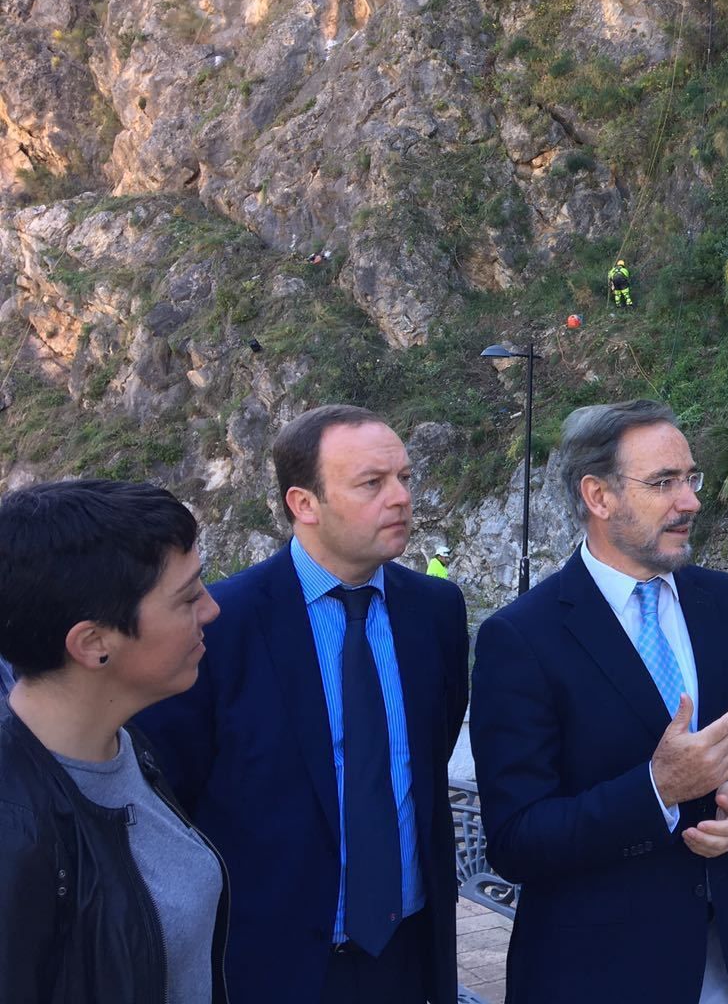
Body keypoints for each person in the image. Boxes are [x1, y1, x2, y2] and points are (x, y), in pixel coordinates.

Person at [138, 405, 470, 1004]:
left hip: (408, 956)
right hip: (270, 967)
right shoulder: (221, 624)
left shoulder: (437, 611)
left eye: (405, 477)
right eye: (372, 483)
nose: (400, 498)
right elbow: (170, 802)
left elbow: (427, 754)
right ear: (304, 503)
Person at [471, 399, 728, 1004]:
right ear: (599, 496)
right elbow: (515, 839)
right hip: (596, 975)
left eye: (691, 478)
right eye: (663, 482)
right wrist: (655, 788)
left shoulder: (722, 602)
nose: (690, 501)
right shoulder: (522, 638)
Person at [0, 479, 228, 1003]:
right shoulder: (15, 834)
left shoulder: (130, 747)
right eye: (189, 596)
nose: (211, 609)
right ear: (93, 642)